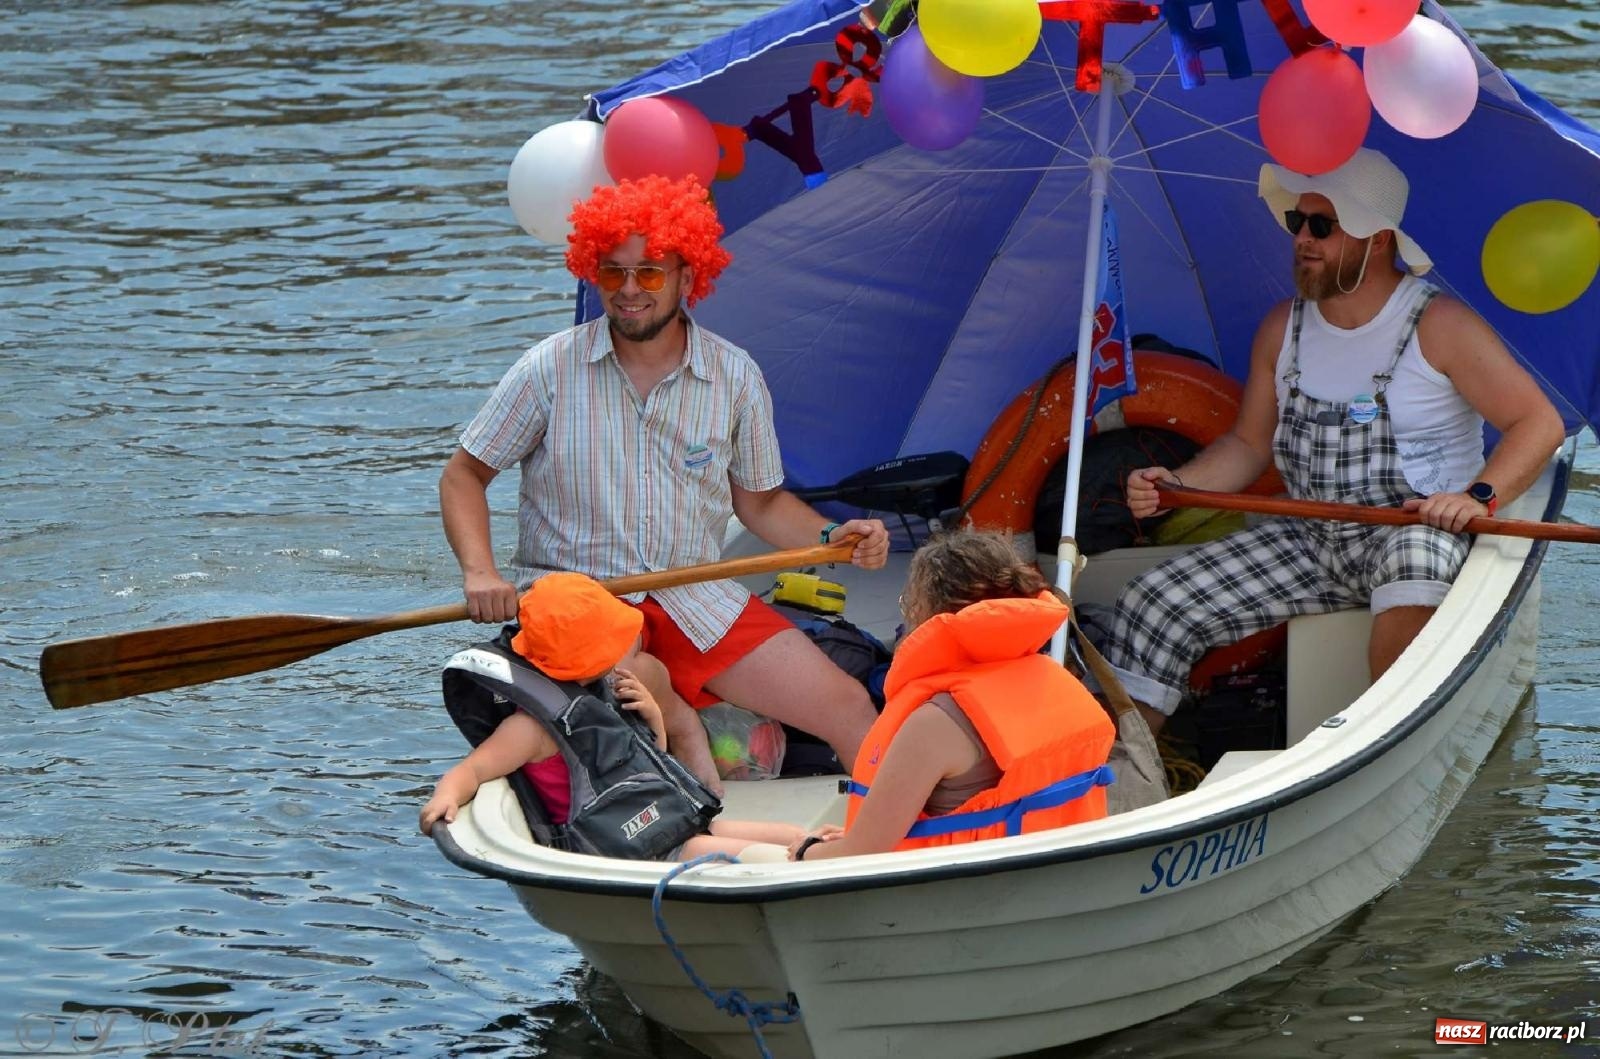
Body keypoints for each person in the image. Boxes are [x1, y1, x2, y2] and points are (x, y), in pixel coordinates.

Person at [438, 174, 889, 786]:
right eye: (612, 272)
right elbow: (464, 476)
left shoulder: (735, 376)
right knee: (607, 740)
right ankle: (681, 739)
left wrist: (836, 533)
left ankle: (871, 850)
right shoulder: (548, 367)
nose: (628, 291)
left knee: (851, 709)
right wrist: (480, 573)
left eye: (650, 272)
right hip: (578, 604)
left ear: (687, 275)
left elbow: (761, 505)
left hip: (695, 594)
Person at [1100, 148, 1565, 734]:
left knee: (1415, 563)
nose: (1303, 239)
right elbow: (1248, 444)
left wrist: (1477, 497)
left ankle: (1380, 744)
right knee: (1151, 603)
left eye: (1323, 226)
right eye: (1299, 222)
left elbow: (1538, 423)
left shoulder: (1439, 325)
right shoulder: (1281, 329)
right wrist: (1178, 485)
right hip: (1309, 539)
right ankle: (1130, 779)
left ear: (1377, 241)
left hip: (1414, 529)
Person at [420, 572, 806, 860]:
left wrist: (652, 716)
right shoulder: (529, 729)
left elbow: (648, 761)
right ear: (580, 658)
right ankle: (814, 862)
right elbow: (472, 770)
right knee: (765, 856)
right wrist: (446, 797)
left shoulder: (599, 691)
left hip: (665, 823)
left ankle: (816, 846)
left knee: (791, 835)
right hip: (632, 849)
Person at [783, 530, 1115, 862]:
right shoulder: (1058, 680)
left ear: (923, 612)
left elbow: (862, 852)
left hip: (950, 889)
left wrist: (806, 852)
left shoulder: (935, 722)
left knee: (758, 848)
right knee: (774, 835)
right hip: (1049, 868)